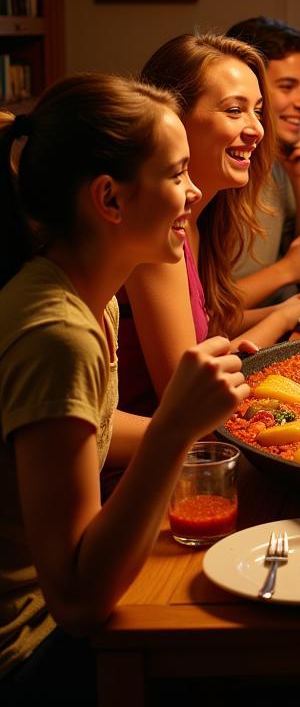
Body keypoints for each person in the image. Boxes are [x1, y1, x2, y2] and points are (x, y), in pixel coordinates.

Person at [0, 77, 248, 701]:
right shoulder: (58, 334)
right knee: (283, 652)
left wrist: (232, 433)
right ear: (109, 198)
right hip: (30, 647)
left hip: (58, 619)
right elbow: (80, 600)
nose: (193, 193)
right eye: (176, 174)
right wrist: (174, 428)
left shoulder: (87, 296)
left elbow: (96, 435)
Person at [119, 34, 300, 416]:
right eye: (235, 111)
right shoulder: (156, 232)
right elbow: (187, 401)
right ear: (173, 117)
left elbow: (206, 328)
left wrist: (286, 311)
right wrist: (283, 314)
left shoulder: (201, 221)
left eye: (258, 111)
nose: (257, 129)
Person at [224, 17, 300, 305]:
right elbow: (209, 315)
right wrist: (287, 270)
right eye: (288, 87)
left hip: (281, 321)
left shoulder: (277, 158)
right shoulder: (224, 170)